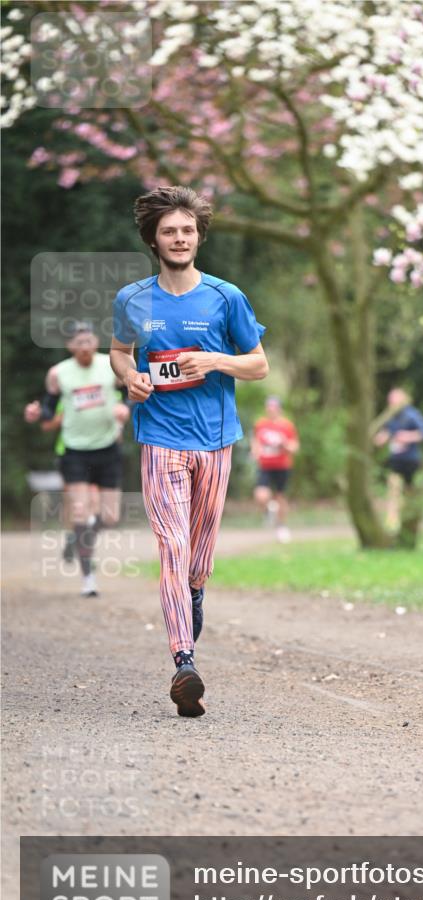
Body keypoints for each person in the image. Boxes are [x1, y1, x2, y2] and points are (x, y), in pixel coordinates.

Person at [110, 185, 269, 719]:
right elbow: (120, 351)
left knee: (198, 561)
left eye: (187, 230)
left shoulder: (227, 297)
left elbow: (259, 364)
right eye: (169, 231)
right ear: (153, 240)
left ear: (199, 236)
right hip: (159, 439)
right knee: (173, 548)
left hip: (216, 441)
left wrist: (215, 362)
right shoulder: (132, 299)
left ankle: (192, 599)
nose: (179, 238)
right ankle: (184, 662)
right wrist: (130, 376)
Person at [24, 324, 130, 595]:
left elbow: (133, 392)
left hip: (108, 448)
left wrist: (125, 407)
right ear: (70, 346)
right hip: (75, 452)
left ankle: (77, 538)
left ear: (97, 341)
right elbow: (49, 408)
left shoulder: (111, 364)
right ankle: (88, 579)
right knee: (81, 512)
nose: (85, 346)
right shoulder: (58, 373)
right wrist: (38, 414)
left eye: (89, 340)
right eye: (78, 341)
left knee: (109, 516)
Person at [373, 387, 423, 531]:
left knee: (416, 490)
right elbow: (387, 432)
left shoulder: (412, 415)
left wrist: (408, 436)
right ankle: (392, 519)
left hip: (411, 460)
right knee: (393, 489)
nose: (391, 402)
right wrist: (382, 438)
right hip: (396, 459)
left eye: (395, 399)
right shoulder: (391, 417)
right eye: (390, 399)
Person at [251, 396, 300, 543]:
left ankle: (281, 526)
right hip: (265, 466)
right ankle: (268, 512)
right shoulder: (261, 424)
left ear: (279, 409)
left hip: (282, 466)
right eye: (269, 407)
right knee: (261, 495)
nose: (271, 410)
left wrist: (284, 444)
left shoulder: (287, 426)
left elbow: (295, 447)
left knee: (280, 497)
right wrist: (255, 451)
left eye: (274, 407)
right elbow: (256, 442)